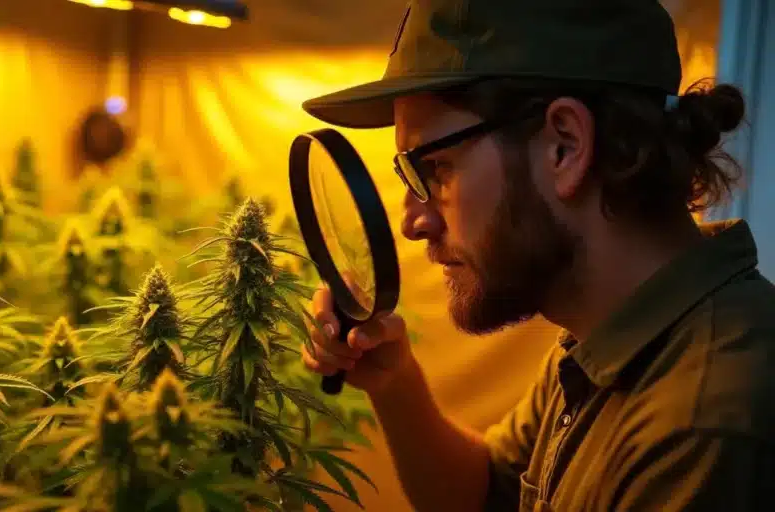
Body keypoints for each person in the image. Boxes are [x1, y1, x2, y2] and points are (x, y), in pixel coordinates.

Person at [298, 0, 775, 510]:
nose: (414, 222)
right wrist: (395, 383)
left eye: (435, 169)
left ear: (564, 147)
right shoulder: (608, 337)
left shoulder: (699, 427)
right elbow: (486, 493)